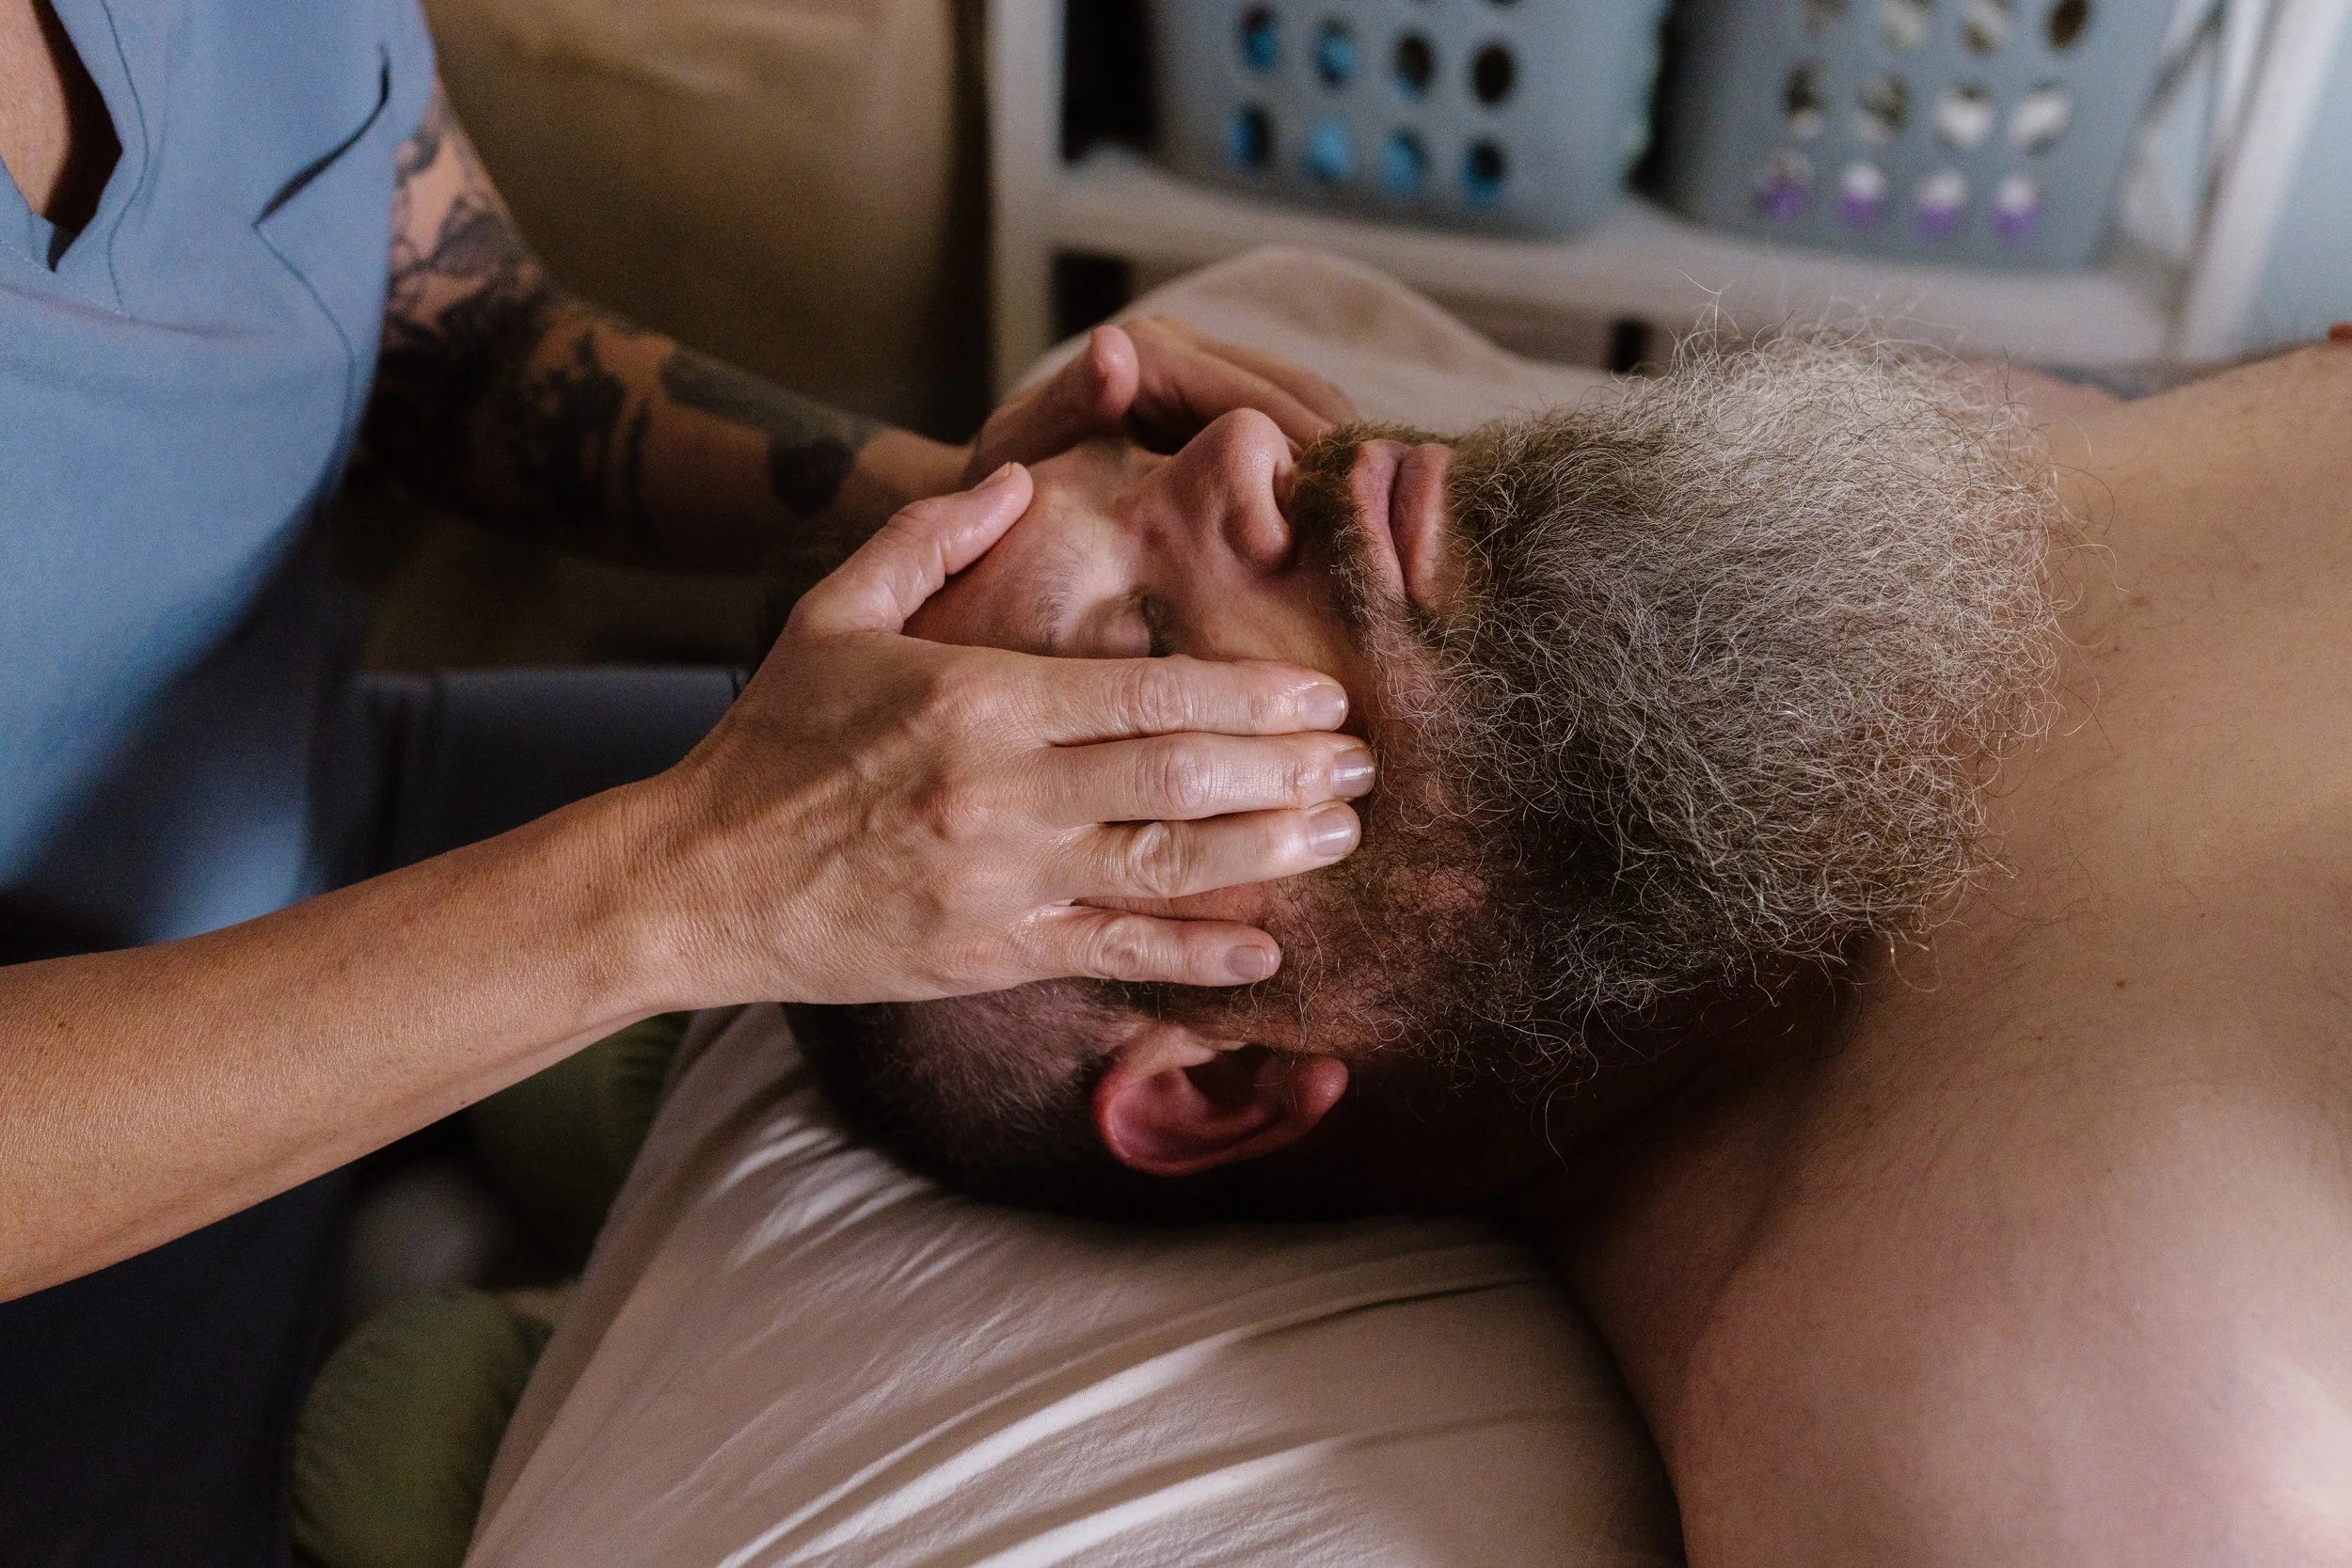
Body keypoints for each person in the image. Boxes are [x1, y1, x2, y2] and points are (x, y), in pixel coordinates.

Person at [0, 1, 1379, 1560]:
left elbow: (455, 327)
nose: (1252, 458)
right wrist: (678, 887)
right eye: (1142, 644)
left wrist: (957, 501)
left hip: (317, 795)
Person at [793, 326, 2352, 1562]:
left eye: (1145, 465)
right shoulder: (1990, 1418)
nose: (1252, 445)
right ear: (1216, 1079)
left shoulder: (1874, 501)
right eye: (1143, 635)